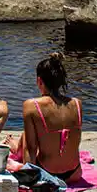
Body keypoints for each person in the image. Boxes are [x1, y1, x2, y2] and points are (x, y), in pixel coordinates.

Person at [5, 53, 83, 182]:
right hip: (74, 173)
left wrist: (29, 176)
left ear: (39, 81)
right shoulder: (76, 103)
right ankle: (16, 146)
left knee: (27, 135)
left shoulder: (32, 105)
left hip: (47, 174)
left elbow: (31, 148)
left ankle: (15, 148)